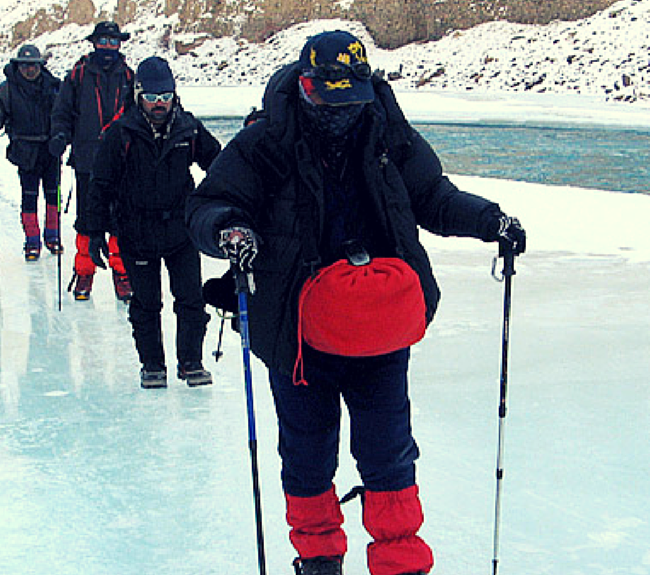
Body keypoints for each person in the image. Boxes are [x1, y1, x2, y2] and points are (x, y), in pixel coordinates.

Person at [185, 30, 527, 575]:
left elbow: (433, 197)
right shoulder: (264, 143)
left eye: (354, 99)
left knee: (389, 453)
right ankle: (319, 559)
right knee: (307, 456)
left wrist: (492, 221)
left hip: (376, 328)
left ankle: (400, 564)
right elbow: (211, 204)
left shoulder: (387, 133)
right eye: (332, 98)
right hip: (296, 334)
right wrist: (230, 230)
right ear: (306, 85)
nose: (343, 111)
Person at [79, 56, 221, 388]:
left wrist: (221, 205)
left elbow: (218, 164)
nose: (160, 104)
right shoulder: (121, 132)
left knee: (191, 300)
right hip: (136, 230)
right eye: (153, 97)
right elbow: (100, 184)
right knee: (145, 304)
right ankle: (152, 364)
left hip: (180, 230)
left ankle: (191, 362)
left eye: (166, 96)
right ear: (138, 94)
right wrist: (94, 232)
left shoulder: (189, 128)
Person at [50, 21, 135, 301]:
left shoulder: (130, 77)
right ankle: (84, 271)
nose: (109, 47)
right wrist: (60, 135)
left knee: (120, 220)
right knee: (87, 219)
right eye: (104, 41)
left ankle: (122, 274)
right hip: (87, 160)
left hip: (122, 161)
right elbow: (62, 111)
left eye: (114, 42)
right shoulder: (78, 75)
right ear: (94, 43)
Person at [0, 44, 62, 261]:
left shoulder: (55, 87)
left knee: (54, 195)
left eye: (33, 65)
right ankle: (32, 241)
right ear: (17, 66)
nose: (29, 69)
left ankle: (53, 236)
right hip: (24, 151)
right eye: (25, 65)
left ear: (40, 66)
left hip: (50, 150)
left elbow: (67, 113)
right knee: (29, 196)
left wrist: (64, 136)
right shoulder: (6, 90)